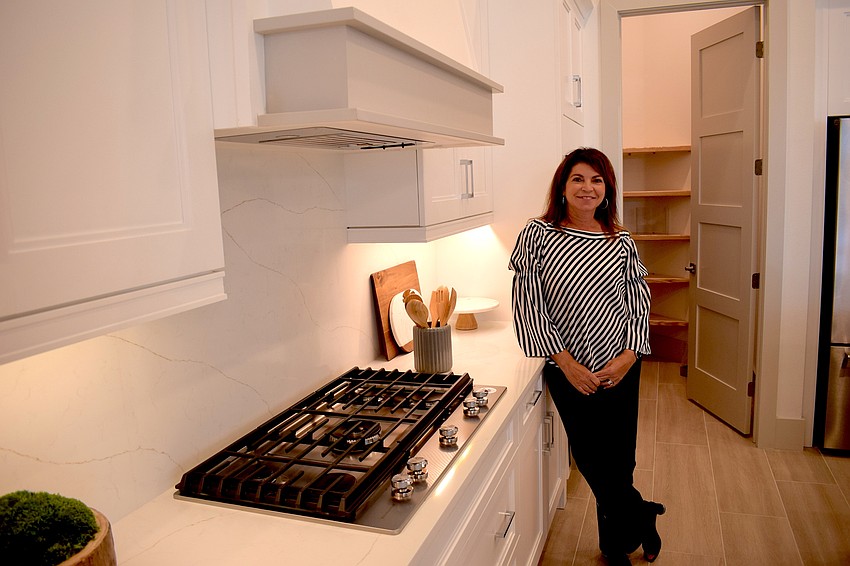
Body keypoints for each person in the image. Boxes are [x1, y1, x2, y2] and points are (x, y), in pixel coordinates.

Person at [509, 147, 664, 565]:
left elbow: (638, 302)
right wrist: (568, 364)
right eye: (578, 178)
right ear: (562, 186)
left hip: (621, 366)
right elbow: (529, 305)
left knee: (620, 461)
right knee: (593, 460)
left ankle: (614, 548)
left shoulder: (621, 241)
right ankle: (642, 516)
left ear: (607, 190)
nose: (587, 188)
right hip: (569, 370)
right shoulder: (537, 235)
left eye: (596, 180)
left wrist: (630, 355)